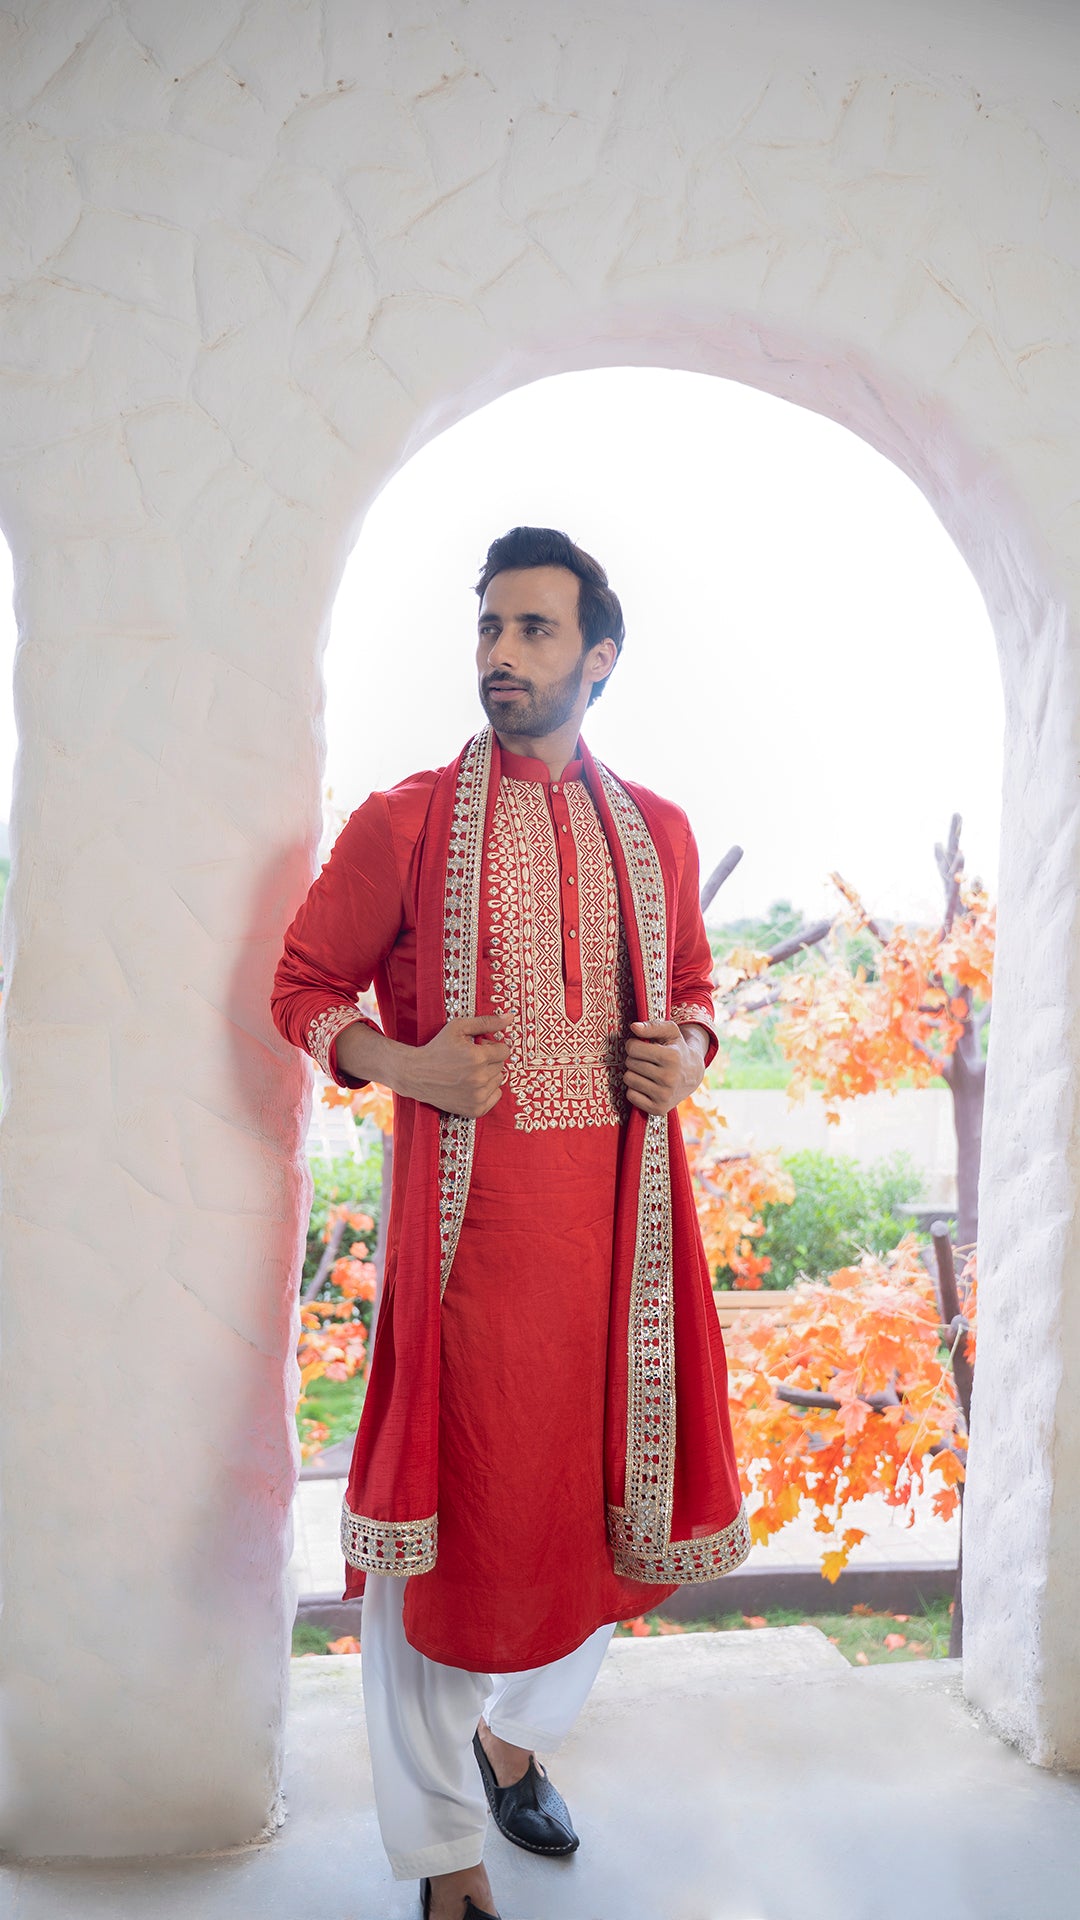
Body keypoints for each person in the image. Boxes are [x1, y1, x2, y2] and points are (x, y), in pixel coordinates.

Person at [272, 527, 749, 1920]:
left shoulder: (654, 830)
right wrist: (401, 1063)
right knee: (441, 1530)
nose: (499, 654)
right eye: (488, 628)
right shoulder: (406, 821)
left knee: (606, 1524)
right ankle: (441, 1855)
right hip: (467, 1262)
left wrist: (697, 1052)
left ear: (598, 659)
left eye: (534, 631)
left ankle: (514, 1739)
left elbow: (699, 990)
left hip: (620, 1256)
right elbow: (300, 984)